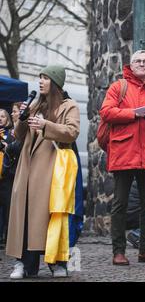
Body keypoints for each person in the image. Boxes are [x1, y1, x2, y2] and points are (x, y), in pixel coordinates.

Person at [6, 65, 80, 278]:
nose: (40, 81)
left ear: (55, 82)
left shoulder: (69, 106)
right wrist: (21, 119)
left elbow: (72, 132)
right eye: (40, 77)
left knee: (51, 215)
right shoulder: (35, 104)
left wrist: (46, 125)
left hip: (52, 168)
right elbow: (19, 136)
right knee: (25, 215)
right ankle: (23, 263)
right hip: (27, 168)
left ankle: (57, 263)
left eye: (45, 78)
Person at [100, 49, 145, 266]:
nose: (141, 64)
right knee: (120, 204)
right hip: (124, 153)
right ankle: (118, 252)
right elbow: (106, 112)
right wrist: (135, 113)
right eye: (137, 61)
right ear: (130, 65)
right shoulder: (118, 87)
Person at [0, 109, 14, 247]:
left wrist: (7, 147)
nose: (0, 119)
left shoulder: (11, 134)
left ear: (8, 119)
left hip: (7, 177)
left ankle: (8, 237)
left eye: (2, 116)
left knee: (8, 207)